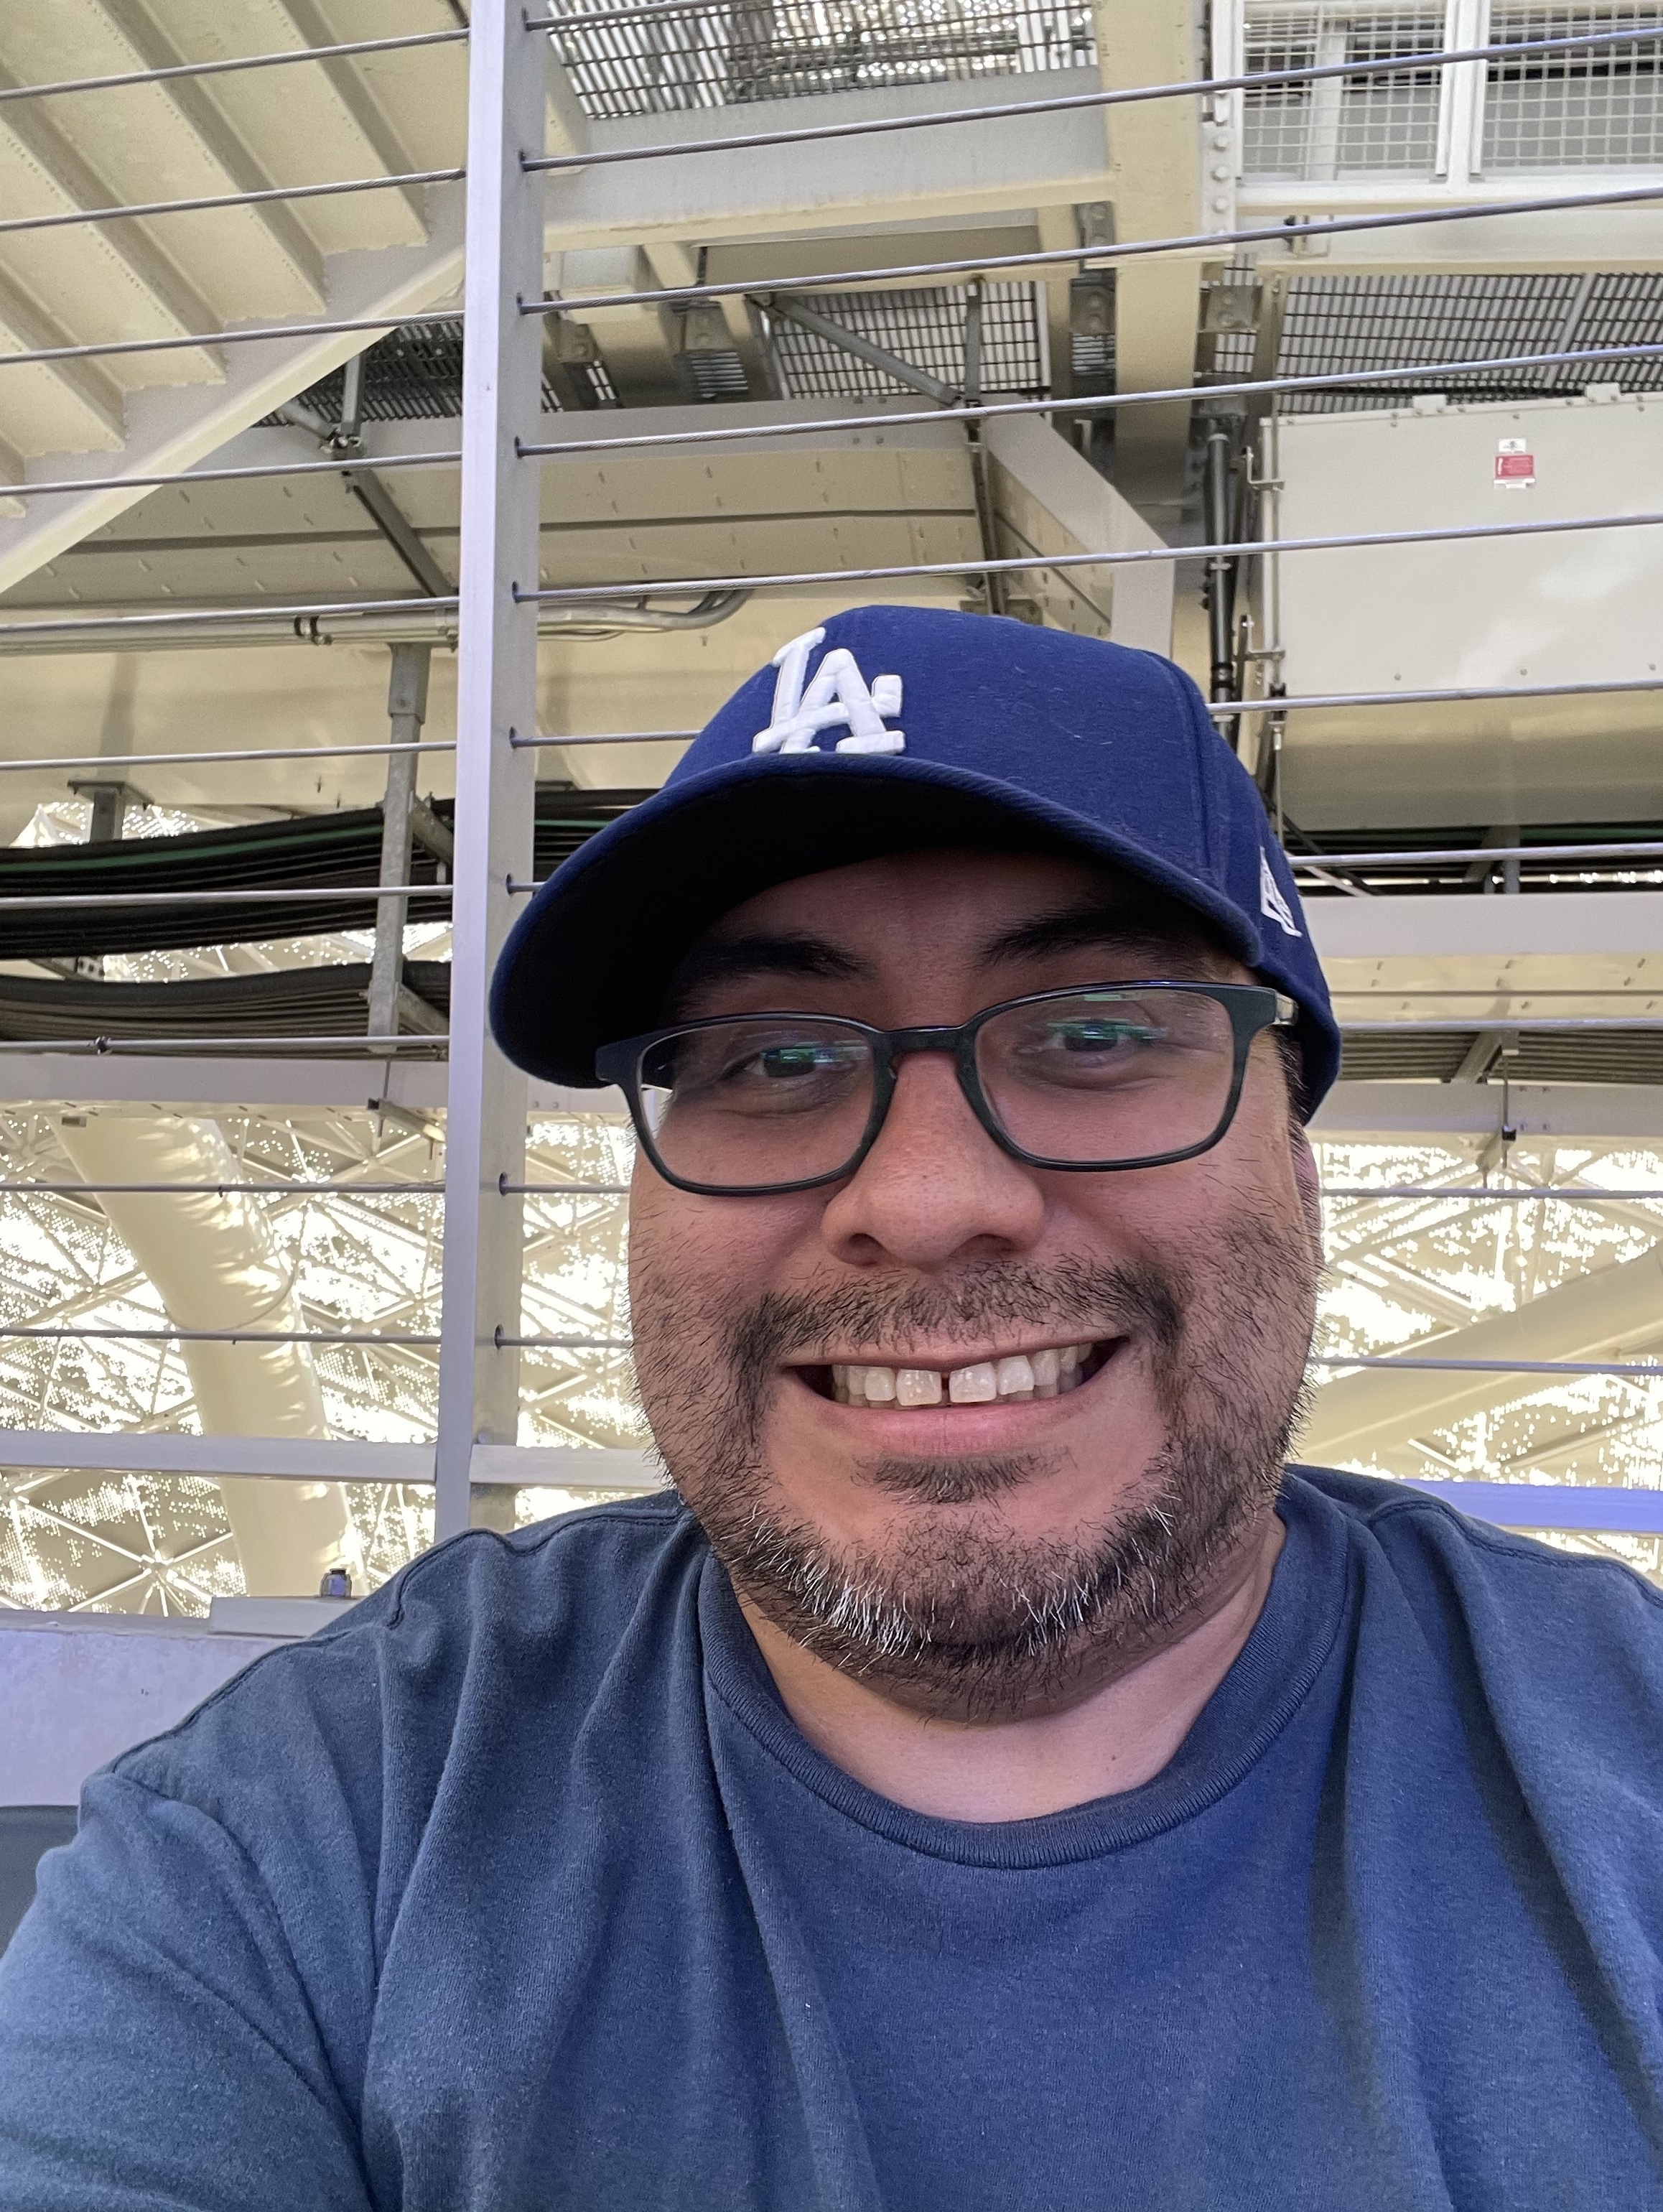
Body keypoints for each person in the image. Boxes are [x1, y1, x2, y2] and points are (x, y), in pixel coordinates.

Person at [2, 605, 1661, 2211]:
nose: (927, 1199)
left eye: (1094, 1031)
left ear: (1295, 1168)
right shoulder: (306, 1842)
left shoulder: (1622, 1783)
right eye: (776, 1058)